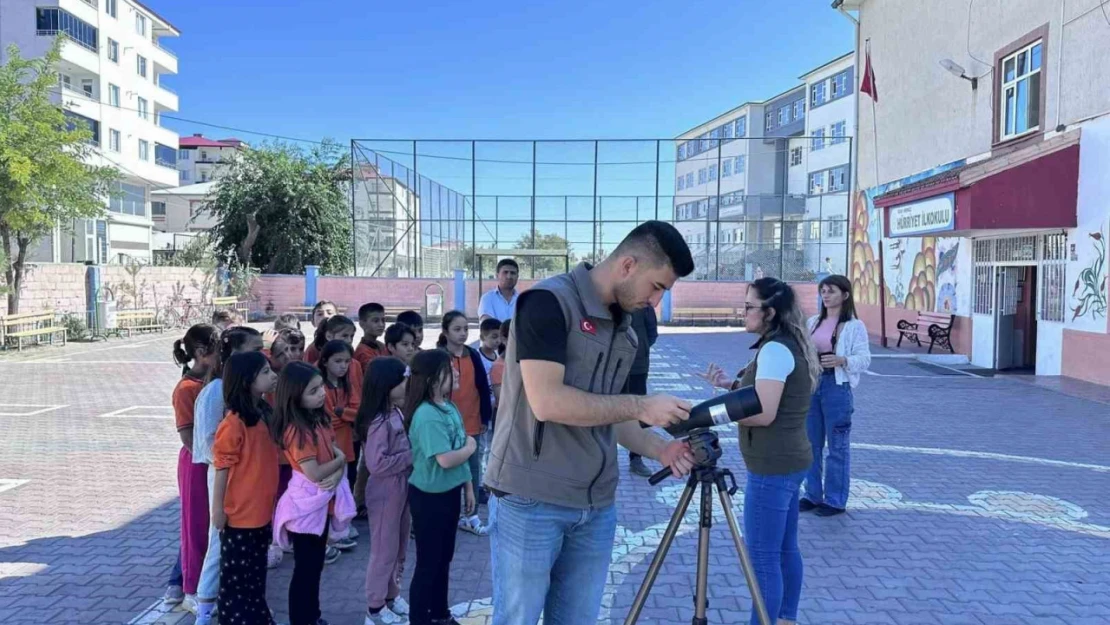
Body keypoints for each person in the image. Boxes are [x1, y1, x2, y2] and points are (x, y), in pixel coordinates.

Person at [484, 220, 698, 625]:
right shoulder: (547, 302)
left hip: (596, 507)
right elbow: (547, 402)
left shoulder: (625, 330)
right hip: (531, 500)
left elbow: (609, 416)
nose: (656, 302)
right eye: (657, 287)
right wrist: (640, 405)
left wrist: (661, 448)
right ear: (628, 265)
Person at [700, 277, 821, 625]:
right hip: (790, 460)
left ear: (769, 312)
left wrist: (713, 412)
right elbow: (769, 396)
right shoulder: (785, 345)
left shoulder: (775, 349)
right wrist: (731, 386)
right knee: (784, 549)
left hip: (773, 467)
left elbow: (764, 412)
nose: (744, 311)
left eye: (750, 306)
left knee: (763, 558)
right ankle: (784, 618)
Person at [272, 362, 355, 625]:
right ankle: (303, 619)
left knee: (314, 567)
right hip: (305, 508)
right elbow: (315, 473)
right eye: (313, 391)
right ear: (295, 396)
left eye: (320, 388)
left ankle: (312, 616)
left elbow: (330, 456)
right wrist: (340, 460)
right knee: (306, 570)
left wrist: (337, 464)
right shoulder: (296, 429)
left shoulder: (318, 418)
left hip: (319, 506)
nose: (321, 394)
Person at [191, 326, 264, 624]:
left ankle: (236, 604)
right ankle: (205, 609)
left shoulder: (248, 393)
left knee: (240, 546)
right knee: (220, 541)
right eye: (255, 350)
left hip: (244, 479)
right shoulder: (215, 392)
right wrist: (235, 462)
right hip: (226, 477)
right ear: (235, 355)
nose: (263, 356)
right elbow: (209, 443)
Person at [403, 350, 477, 625]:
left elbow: (458, 447)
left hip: (449, 493)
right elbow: (447, 459)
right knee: (428, 563)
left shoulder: (448, 406)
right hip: (429, 498)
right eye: (450, 370)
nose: (456, 373)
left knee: (444, 558)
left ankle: (440, 613)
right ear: (434, 379)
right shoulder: (427, 414)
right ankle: (420, 619)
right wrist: (471, 447)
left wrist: (468, 486)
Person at [210, 352, 280, 625]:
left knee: (255, 576)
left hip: (261, 513)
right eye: (265, 372)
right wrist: (218, 510)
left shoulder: (263, 413)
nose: (273, 376)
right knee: (236, 583)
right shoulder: (234, 423)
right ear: (246, 381)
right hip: (239, 517)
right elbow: (221, 468)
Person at [801, 274, 871, 517]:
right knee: (811, 444)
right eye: (823, 291)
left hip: (836, 387)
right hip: (812, 385)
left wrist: (842, 360)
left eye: (831, 291)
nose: (826, 295)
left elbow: (865, 359)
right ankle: (812, 494)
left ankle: (835, 500)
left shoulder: (854, 326)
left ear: (845, 295)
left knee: (837, 446)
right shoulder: (812, 322)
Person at [356, 357, 413, 625]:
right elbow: (376, 464)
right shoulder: (379, 420)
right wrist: (410, 456)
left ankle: (392, 596)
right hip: (386, 490)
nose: (406, 385)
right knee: (384, 549)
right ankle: (375, 607)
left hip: (402, 488)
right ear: (387, 385)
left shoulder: (395, 412)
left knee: (400, 546)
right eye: (402, 380)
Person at [170, 324, 220, 614]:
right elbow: (189, 438)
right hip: (197, 464)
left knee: (213, 528)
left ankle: (208, 586)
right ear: (202, 353)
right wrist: (216, 458)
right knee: (195, 528)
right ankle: (190, 589)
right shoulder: (187, 389)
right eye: (219, 350)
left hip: (213, 464)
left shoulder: (215, 381)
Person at [436, 310, 493, 535]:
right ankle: (447, 514)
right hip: (445, 423)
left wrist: (485, 416)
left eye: (465, 329)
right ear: (445, 331)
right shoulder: (438, 356)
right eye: (457, 329)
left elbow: (482, 386)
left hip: (471, 420)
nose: (462, 334)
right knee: (446, 468)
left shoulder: (473, 354)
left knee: (472, 469)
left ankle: (471, 515)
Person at [318, 340, 362, 532]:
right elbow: (327, 418)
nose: (343, 366)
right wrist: (345, 414)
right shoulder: (320, 386)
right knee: (330, 486)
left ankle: (342, 526)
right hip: (330, 445)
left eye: (346, 361)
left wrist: (341, 412)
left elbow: (358, 410)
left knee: (345, 485)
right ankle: (332, 530)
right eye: (338, 361)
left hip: (347, 443)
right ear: (325, 361)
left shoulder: (347, 384)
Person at [626, 305, 659, 478]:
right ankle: (601, 458)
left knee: (639, 413)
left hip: (638, 367)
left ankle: (636, 458)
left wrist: (640, 347)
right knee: (603, 409)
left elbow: (652, 333)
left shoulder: (644, 304)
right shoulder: (609, 298)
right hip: (610, 367)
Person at [478, 258, 519, 323]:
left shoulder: (522, 300)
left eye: (513, 273)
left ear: (517, 277)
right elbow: (487, 325)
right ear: (497, 276)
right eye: (505, 272)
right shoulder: (487, 298)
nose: (509, 276)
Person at [476, 318, 502, 408]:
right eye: (494, 337)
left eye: (500, 337)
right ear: (482, 337)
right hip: (482, 404)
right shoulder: (476, 357)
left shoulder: (499, 357)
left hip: (496, 405)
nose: (498, 340)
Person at [355, 303, 388, 367]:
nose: (381, 324)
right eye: (376, 321)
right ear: (362, 324)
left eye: (383, 320)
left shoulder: (381, 345)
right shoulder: (362, 352)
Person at [488, 320, 510, 410]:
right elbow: (502, 399)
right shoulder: (498, 366)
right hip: (506, 417)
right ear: (504, 339)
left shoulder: (525, 362)